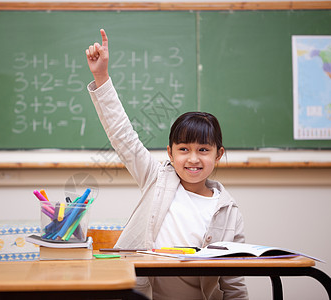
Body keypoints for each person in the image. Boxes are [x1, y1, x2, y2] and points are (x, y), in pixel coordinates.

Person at [85, 29, 248, 300]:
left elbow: (234, 281)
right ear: (170, 154)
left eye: (203, 150)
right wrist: (101, 77)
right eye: (184, 149)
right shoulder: (155, 178)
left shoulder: (228, 211)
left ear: (218, 155)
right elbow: (122, 135)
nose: (193, 158)